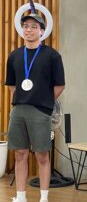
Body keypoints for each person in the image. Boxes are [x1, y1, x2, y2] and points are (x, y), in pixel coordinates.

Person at [5, 13, 65, 202]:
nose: (29, 30)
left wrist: (43, 102)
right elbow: (11, 85)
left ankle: (44, 198)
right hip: (18, 110)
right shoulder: (14, 55)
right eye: (26, 26)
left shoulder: (52, 55)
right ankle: (21, 196)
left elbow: (59, 85)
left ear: (42, 31)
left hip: (41, 111)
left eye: (33, 27)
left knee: (42, 155)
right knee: (20, 154)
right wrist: (23, 98)